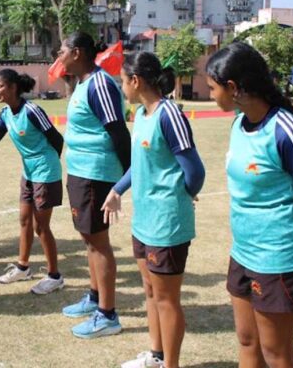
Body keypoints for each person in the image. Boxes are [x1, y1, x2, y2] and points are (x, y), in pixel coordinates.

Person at [205, 42, 293, 368]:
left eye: (212, 88)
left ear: (233, 88)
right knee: (248, 341)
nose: (210, 95)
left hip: (278, 258)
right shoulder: (238, 124)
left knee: (275, 353)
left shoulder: (284, 129)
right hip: (243, 251)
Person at [103, 52, 206, 368]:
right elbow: (139, 165)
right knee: (150, 290)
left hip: (166, 223)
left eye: (123, 81)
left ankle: (171, 364)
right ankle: (157, 355)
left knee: (167, 298)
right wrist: (116, 190)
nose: (122, 88)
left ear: (136, 81)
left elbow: (195, 172)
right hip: (144, 220)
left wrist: (180, 196)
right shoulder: (141, 116)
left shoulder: (169, 114)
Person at [57, 32, 131, 339]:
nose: (58, 56)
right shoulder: (83, 83)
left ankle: (107, 315)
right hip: (80, 172)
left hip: (96, 174)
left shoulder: (101, 84)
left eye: (61, 50)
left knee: (98, 241)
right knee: (88, 238)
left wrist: (127, 177)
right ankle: (95, 296)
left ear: (77, 52)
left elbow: (118, 132)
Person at [0, 69, 65, 295]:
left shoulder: (32, 110)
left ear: (13, 87)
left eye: (0, 86)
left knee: (41, 226)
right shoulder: (5, 114)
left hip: (45, 171)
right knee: (24, 220)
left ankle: (54, 276)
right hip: (28, 172)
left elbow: (57, 139)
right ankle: (23, 267)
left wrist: (48, 166)